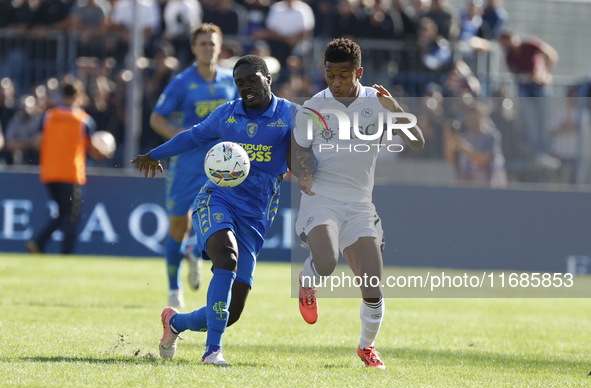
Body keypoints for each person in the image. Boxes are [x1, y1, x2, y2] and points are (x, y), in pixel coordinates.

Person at [130, 55, 294, 366]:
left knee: (231, 312)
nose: (246, 87)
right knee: (226, 256)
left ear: (267, 79)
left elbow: (311, 149)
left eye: (252, 80)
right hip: (216, 198)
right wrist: (154, 153)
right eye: (240, 83)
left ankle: (175, 323)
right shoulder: (227, 116)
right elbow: (191, 137)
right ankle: (212, 351)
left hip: (256, 214)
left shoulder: (290, 115)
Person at [291, 38, 424, 369]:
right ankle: (308, 282)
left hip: (360, 204)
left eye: (343, 75)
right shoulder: (313, 106)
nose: (336, 82)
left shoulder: (376, 102)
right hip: (320, 198)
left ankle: (367, 347)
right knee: (325, 261)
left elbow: (418, 143)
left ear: (359, 72)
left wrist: (396, 109)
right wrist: (302, 174)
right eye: (330, 75)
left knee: (373, 287)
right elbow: (296, 151)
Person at [149, 23, 239, 308]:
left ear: (220, 46)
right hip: (186, 165)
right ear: (193, 48)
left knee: (221, 223)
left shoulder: (230, 81)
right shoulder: (181, 82)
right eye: (202, 44)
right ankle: (174, 289)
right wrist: (182, 137)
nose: (208, 48)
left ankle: (194, 250)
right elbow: (157, 119)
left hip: (222, 166)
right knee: (178, 226)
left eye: (212, 43)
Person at [26, 78, 110, 255]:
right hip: (71, 174)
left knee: (64, 214)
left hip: (49, 172)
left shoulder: (49, 116)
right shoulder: (83, 120)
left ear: (62, 94)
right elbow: (94, 150)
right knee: (71, 217)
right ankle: (63, 252)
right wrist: (106, 151)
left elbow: (37, 143)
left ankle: (39, 242)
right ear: (78, 96)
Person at [498, 29, 559, 168]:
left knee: (544, 122)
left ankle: (546, 153)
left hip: (541, 89)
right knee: (530, 124)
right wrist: (529, 76)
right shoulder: (509, 57)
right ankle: (535, 154)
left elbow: (551, 55)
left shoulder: (530, 45)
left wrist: (546, 74)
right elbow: (517, 74)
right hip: (525, 90)